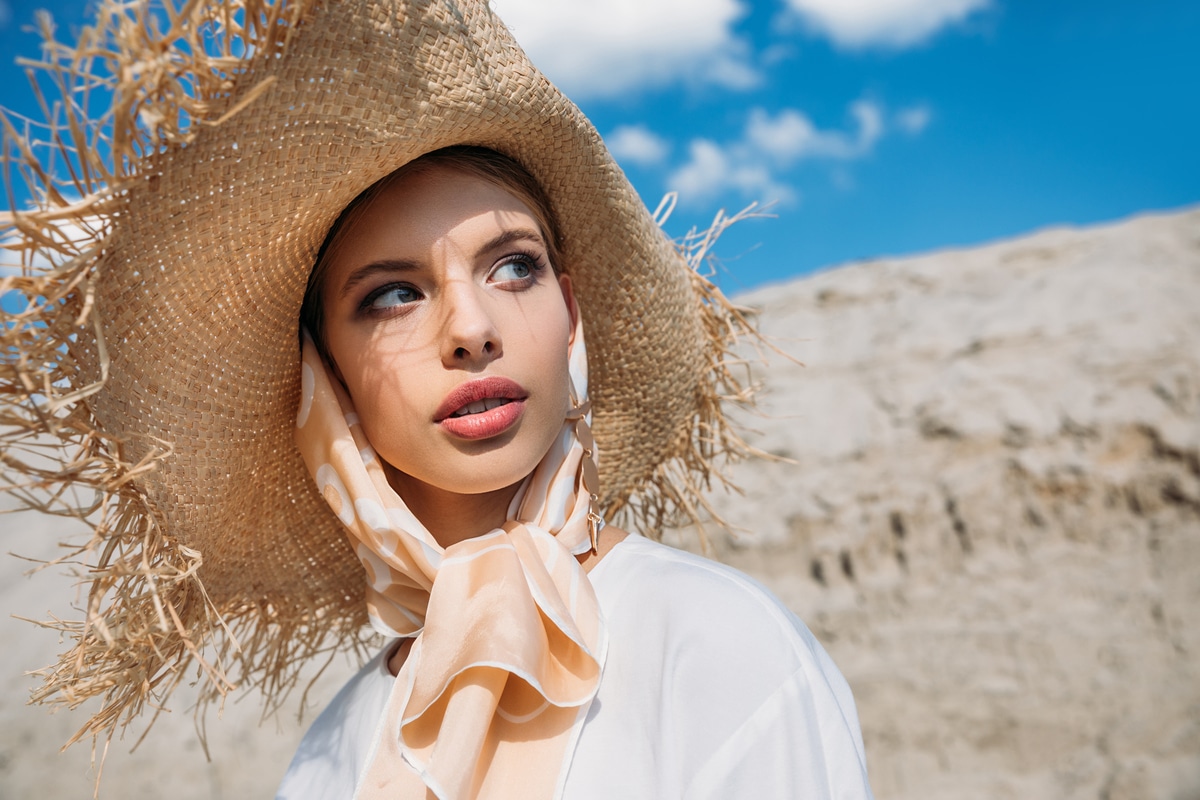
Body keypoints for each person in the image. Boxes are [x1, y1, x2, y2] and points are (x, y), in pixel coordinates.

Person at [0, 1, 873, 798]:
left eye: (513, 267)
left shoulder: (716, 646)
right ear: (327, 383)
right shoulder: (332, 754)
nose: (471, 326)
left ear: (569, 312)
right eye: (392, 294)